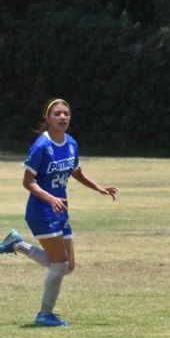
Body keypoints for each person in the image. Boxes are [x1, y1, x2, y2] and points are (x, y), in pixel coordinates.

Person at [0, 98, 119, 326]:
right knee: (59, 265)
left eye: (66, 113)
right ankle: (45, 314)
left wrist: (99, 188)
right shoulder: (41, 146)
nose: (63, 117)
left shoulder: (71, 143)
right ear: (48, 118)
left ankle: (17, 244)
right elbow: (28, 181)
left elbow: (77, 172)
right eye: (57, 113)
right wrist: (50, 197)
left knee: (67, 266)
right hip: (41, 211)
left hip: (60, 211)